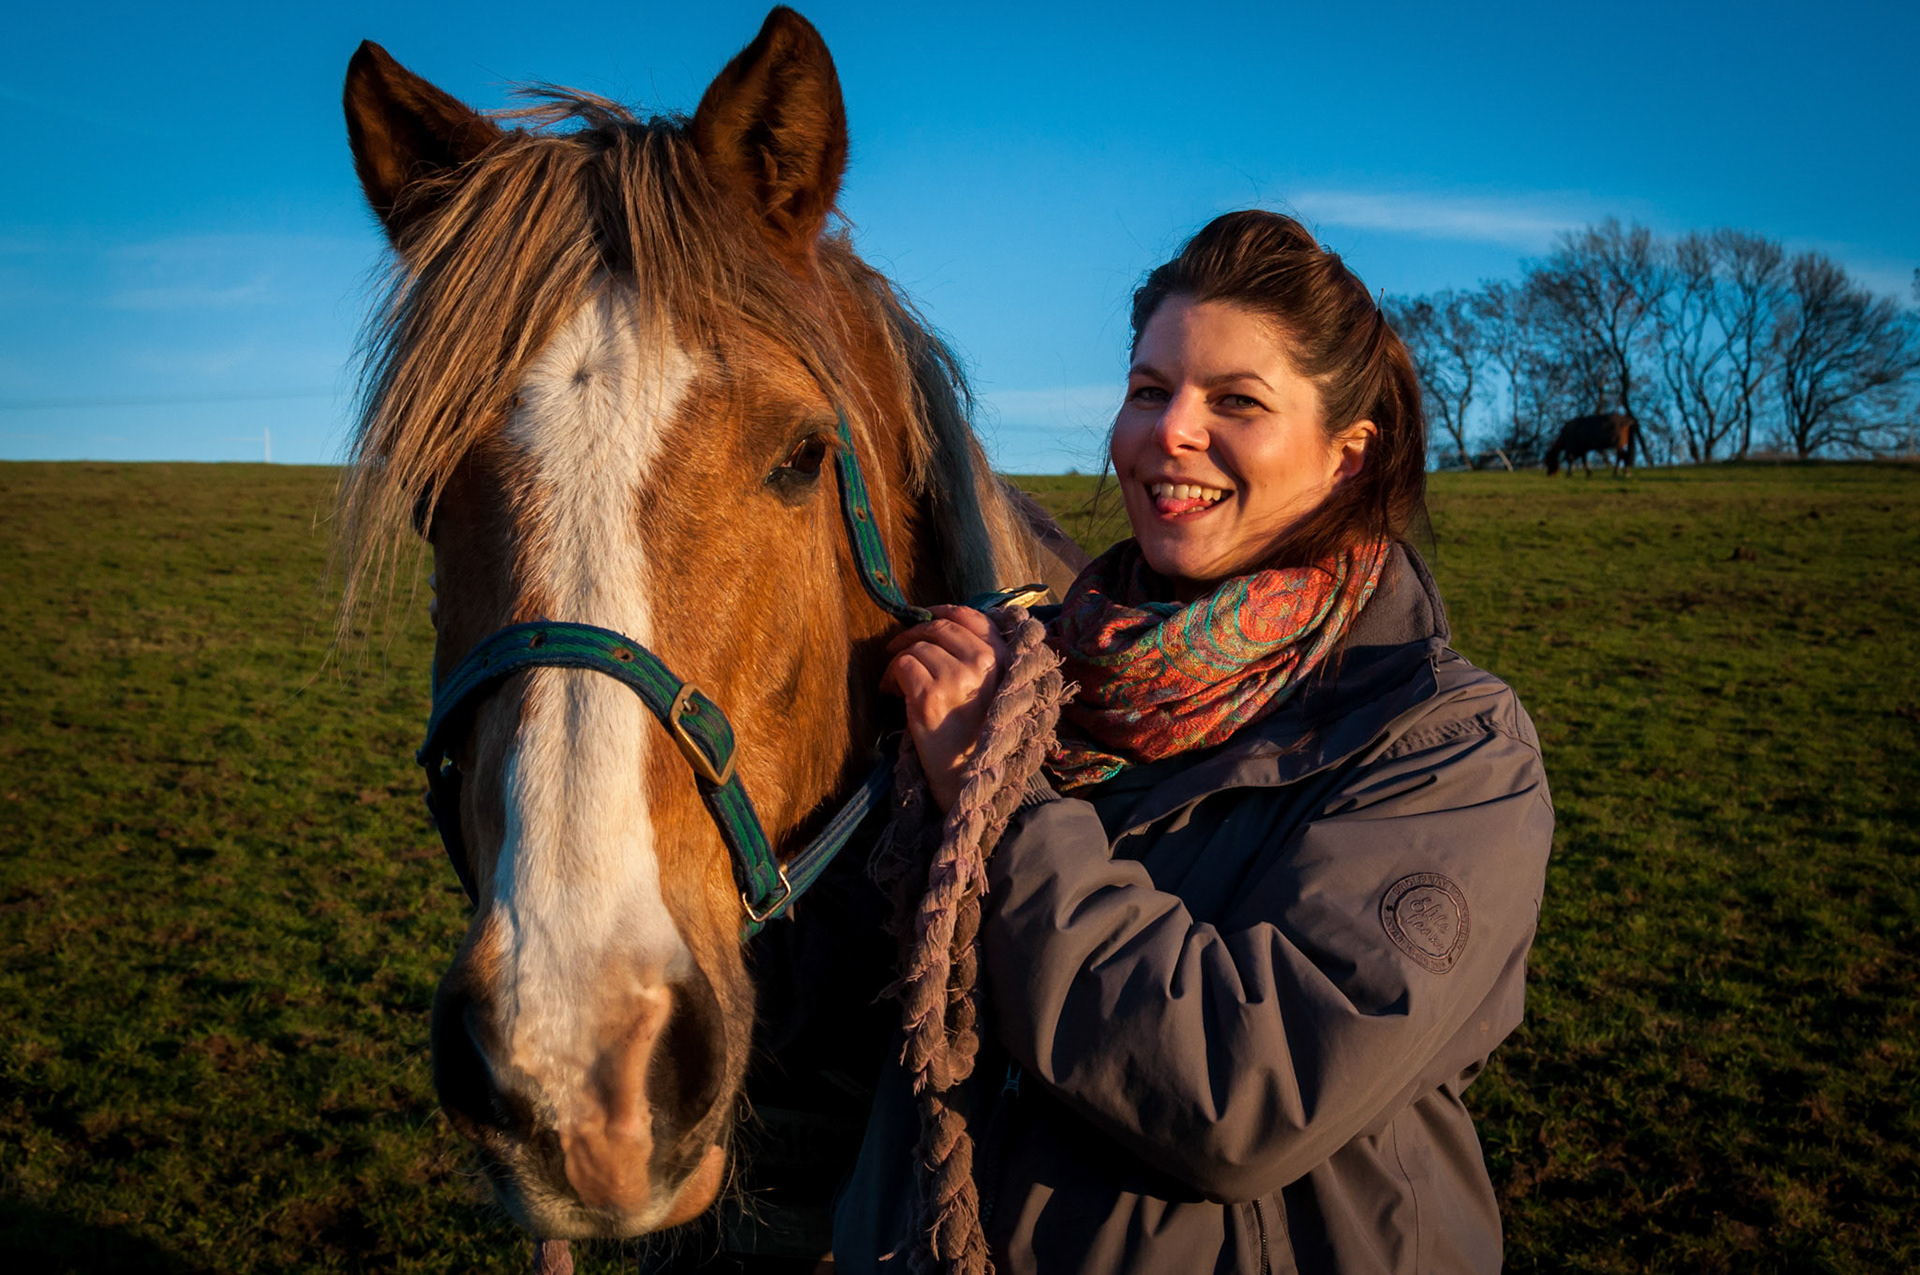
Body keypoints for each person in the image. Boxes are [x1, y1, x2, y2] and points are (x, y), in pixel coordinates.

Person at [833, 210, 1554, 1275]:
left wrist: (1006, 812)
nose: (1171, 430)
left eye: (1237, 403)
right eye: (1148, 389)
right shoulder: (1035, 681)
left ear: (1349, 459)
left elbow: (1250, 1090)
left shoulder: (1448, 747)